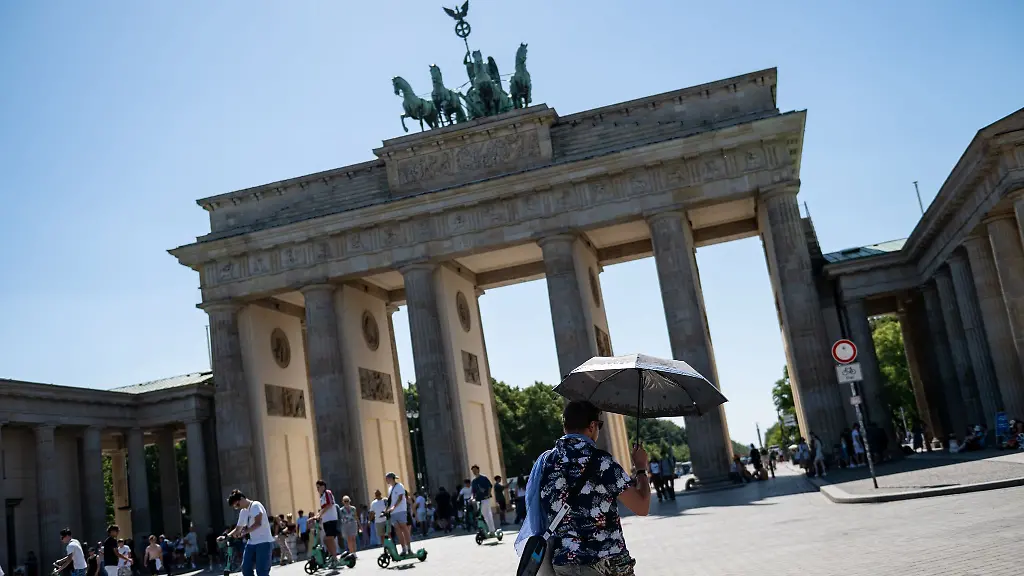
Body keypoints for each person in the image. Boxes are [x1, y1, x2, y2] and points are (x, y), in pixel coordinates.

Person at [516, 400, 651, 576]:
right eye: (599, 425)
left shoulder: (545, 464)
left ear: (565, 427)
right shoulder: (602, 462)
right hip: (603, 562)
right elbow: (642, 506)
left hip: (563, 564)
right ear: (592, 426)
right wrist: (641, 468)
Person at [226, 490, 274, 576]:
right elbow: (238, 529)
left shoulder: (255, 505)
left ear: (242, 499)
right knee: (246, 569)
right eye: (235, 507)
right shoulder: (243, 511)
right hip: (252, 543)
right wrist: (226, 536)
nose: (238, 507)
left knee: (262, 572)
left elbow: (258, 523)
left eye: (237, 505)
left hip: (264, 542)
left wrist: (245, 532)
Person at [384, 473, 412, 557]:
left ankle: (409, 548)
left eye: (387, 478)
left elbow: (400, 498)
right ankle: (403, 549)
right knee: (397, 530)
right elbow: (389, 501)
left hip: (401, 510)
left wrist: (393, 507)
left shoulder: (399, 486)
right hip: (393, 513)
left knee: (404, 527)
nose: (386, 480)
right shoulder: (390, 489)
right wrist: (386, 510)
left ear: (391, 478)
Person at [314, 480, 340, 562]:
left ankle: (335, 558)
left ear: (323, 487)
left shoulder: (327, 493)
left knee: (329, 539)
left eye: (318, 487)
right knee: (326, 540)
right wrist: (318, 515)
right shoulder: (322, 497)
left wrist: (319, 514)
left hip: (331, 519)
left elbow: (330, 504)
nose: (317, 489)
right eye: (317, 488)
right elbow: (323, 509)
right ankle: (332, 556)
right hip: (326, 521)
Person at [470, 465, 496, 534]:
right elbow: (473, 491)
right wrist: (472, 498)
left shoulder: (483, 478)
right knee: (482, 514)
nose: (474, 472)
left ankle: (492, 530)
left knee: (488, 513)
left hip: (485, 498)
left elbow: (489, 486)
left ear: (478, 470)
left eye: (475, 470)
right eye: (473, 471)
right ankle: (486, 529)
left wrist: (488, 494)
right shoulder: (474, 481)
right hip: (478, 499)